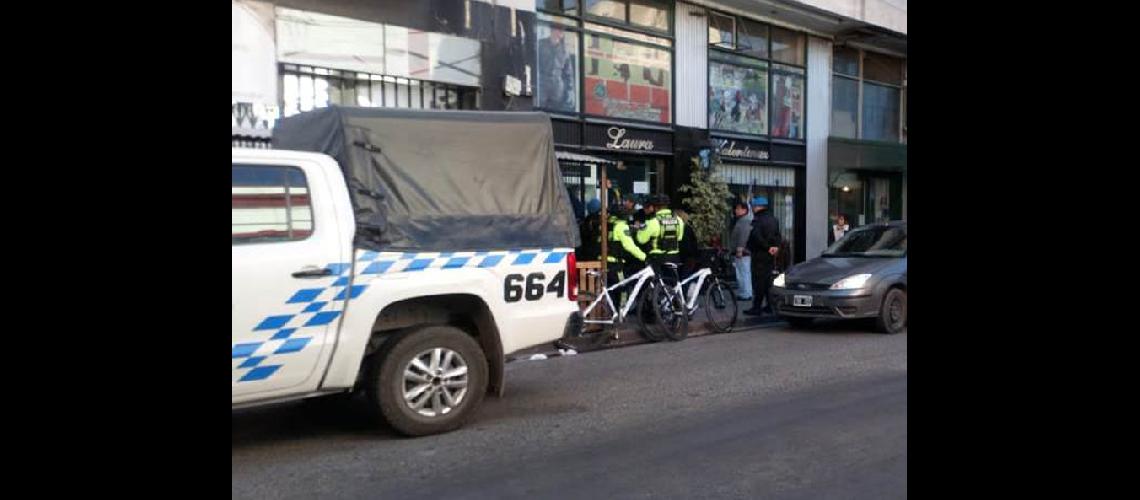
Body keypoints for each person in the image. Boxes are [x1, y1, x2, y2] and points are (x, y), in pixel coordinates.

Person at [743, 196, 780, 316]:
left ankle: (757, 307)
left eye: (753, 206)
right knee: (768, 281)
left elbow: (757, 237)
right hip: (770, 255)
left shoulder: (757, 220)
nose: (752, 208)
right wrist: (775, 247)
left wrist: (766, 247)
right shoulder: (773, 219)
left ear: (758, 207)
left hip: (759, 254)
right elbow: (778, 235)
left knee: (759, 281)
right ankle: (770, 305)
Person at [636, 194, 686, 275]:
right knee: (671, 284)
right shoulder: (679, 220)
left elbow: (641, 239)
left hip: (657, 259)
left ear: (655, 207)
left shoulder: (653, 222)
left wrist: (639, 229)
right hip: (675, 258)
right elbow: (679, 238)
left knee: (656, 284)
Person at [730, 201, 753, 301]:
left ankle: (746, 293)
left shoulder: (744, 221)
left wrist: (740, 249)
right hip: (742, 252)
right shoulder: (741, 220)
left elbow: (743, 236)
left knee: (743, 273)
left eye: (738, 208)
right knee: (742, 273)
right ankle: (744, 292)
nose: (736, 210)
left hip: (743, 252)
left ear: (744, 210)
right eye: (736, 208)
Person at [673, 209, 701, 280]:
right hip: (688, 258)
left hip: (676, 258)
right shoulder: (687, 228)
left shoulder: (673, 229)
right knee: (686, 279)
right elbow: (691, 244)